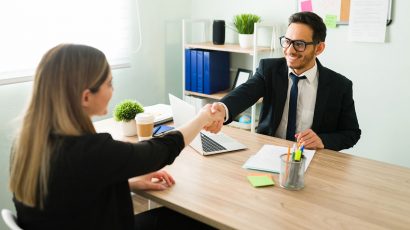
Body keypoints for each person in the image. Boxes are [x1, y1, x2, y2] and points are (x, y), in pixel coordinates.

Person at [9, 44, 216, 230]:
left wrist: (127, 185)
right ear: (86, 97)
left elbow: (66, 196)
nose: (113, 90)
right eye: (109, 83)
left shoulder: (26, 143)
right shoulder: (89, 151)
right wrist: (201, 118)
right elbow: (158, 152)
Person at [206, 12, 361, 151]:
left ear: (319, 48)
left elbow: (351, 133)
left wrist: (322, 140)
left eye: (299, 44)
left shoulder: (339, 86)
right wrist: (222, 109)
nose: (290, 50)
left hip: (313, 157)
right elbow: (245, 93)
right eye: (287, 41)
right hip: (269, 150)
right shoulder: (269, 69)